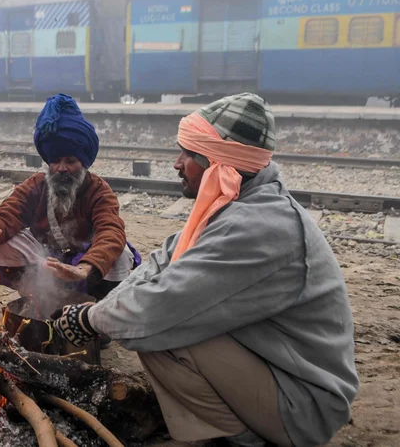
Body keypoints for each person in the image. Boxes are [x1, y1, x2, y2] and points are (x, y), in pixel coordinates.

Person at [51, 93, 359, 447]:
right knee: (144, 317)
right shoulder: (238, 199)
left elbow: (160, 307)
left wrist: (90, 321)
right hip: (281, 371)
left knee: (157, 333)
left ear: (219, 163)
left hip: (304, 404)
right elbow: (159, 262)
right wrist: (96, 311)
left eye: (187, 153)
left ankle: (244, 439)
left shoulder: (260, 225)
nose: (177, 163)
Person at [0, 94, 140, 303]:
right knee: (0, 241)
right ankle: (39, 299)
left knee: (121, 255)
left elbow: (111, 231)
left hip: (84, 265)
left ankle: (99, 307)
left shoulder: (99, 191)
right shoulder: (36, 185)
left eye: (70, 161)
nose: (62, 168)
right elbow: (6, 215)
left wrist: (84, 268)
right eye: (55, 161)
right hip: (45, 264)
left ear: (83, 162)